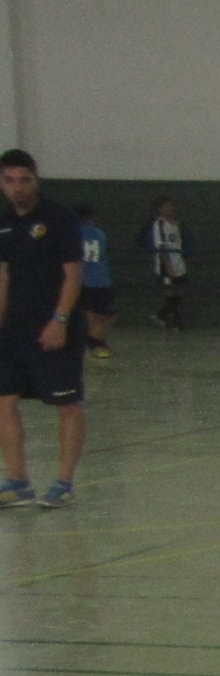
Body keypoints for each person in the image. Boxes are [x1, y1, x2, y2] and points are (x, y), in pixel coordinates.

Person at [0, 149, 90, 510]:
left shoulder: (59, 218)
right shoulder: (4, 222)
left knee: (67, 404)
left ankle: (64, 482)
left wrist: (60, 320)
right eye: (10, 180)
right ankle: (18, 481)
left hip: (55, 328)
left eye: (24, 180)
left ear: (36, 180)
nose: (18, 188)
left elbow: (74, 274)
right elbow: (3, 276)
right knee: (4, 402)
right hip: (14, 331)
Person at [143, 195, 191, 331]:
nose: (171, 208)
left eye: (171, 205)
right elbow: (161, 246)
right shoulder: (159, 224)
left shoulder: (175, 223)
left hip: (178, 261)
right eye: (167, 206)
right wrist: (167, 266)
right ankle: (172, 321)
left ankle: (163, 316)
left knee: (180, 291)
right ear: (160, 208)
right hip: (167, 263)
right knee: (170, 291)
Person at [73, 204, 112, 359]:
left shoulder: (72, 233)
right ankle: (94, 341)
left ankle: (91, 341)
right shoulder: (99, 233)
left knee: (87, 313)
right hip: (100, 279)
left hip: (81, 280)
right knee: (102, 314)